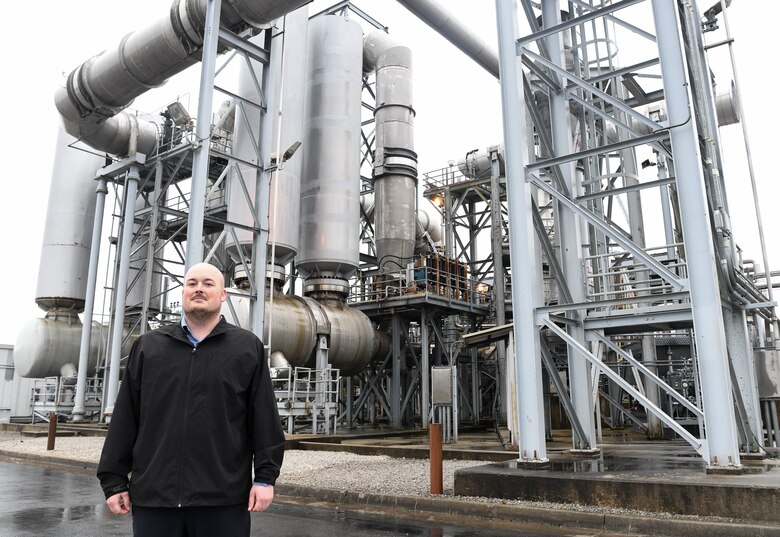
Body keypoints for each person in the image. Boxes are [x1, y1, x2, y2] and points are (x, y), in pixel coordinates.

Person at [97, 262, 285, 537]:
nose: (199, 289)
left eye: (208, 284)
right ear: (184, 292)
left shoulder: (246, 348)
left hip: (223, 500)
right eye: (192, 283)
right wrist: (113, 481)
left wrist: (266, 478)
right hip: (156, 498)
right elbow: (127, 417)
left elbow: (264, 418)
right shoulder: (149, 346)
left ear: (223, 295)